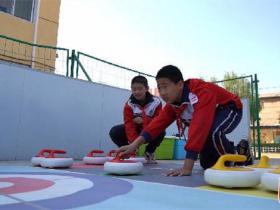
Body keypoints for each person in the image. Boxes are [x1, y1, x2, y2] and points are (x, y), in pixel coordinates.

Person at [117, 65, 252, 176]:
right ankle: (241, 151)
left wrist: (187, 168)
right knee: (207, 164)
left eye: (165, 86)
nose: (162, 92)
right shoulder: (173, 105)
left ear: (180, 84)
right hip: (211, 117)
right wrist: (134, 145)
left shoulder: (201, 92)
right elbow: (156, 125)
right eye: (159, 88)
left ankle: (232, 160)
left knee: (212, 132)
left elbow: (200, 127)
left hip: (230, 107)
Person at [109, 75, 165, 163]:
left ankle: (149, 152)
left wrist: (144, 120)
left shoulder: (156, 102)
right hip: (135, 132)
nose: (137, 92)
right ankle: (129, 152)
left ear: (147, 88)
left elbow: (159, 122)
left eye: (140, 89)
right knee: (115, 131)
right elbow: (129, 125)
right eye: (134, 89)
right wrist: (134, 145)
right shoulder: (129, 105)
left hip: (150, 131)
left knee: (161, 130)